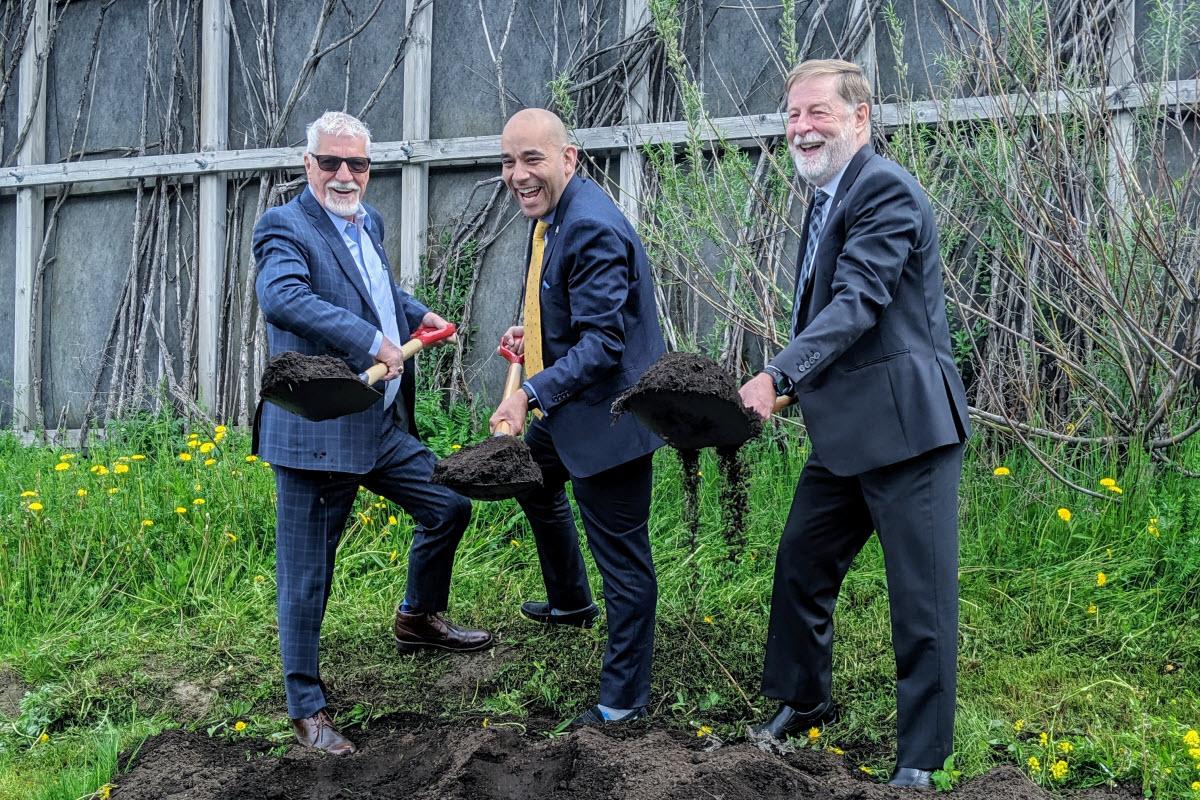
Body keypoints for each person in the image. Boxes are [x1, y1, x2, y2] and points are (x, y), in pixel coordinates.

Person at [738, 60, 971, 789]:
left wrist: (778, 373)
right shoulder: (827, 195)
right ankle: (804, 702)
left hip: (907, 433)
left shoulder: (885, 191)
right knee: (801, 567)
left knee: (920, 600)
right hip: (844, 430)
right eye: (792, 116)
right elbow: (837, 317)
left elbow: (858, 303)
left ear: (861, 119)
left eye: (817, 114)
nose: (801, 128)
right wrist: (793, 391)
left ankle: (919, 761)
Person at [253, 110, 492, 755]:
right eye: (329, 162)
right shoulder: (286, 227)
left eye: (355, 163)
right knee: (308, 575)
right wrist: (373, 341)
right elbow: (284, 299)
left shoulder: (369, 222)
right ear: (308, 167)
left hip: (378, 422)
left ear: (369, 168)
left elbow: (376, 293)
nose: (343, 174)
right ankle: (306, 706)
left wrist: (417, 315)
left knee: (448, 504)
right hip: (317, 429)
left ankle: (417, 618)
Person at [488, 108, 666, 726]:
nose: (517, 174)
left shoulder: (589, 226)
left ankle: (622, 703)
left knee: (624, 562)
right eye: (508, 161)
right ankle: (569, 602)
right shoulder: (555, 217)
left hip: (608, 421)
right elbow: (572, 312)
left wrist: (528, 394)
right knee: (530, 482)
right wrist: (534, 332)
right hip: (571, 412)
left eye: (532, 159)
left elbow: (603, 347)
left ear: (569, 158)